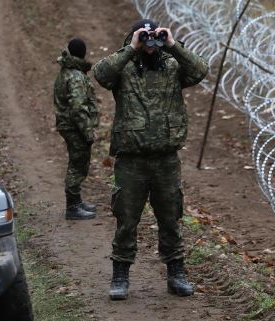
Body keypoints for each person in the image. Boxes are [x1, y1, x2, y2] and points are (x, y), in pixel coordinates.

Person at [93, 19, 209, 299]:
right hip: (131, 160)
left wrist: (172, 44)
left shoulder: (171, 66)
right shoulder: (124, 68)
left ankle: (176, 273)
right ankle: (120, 275)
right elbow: (101, 74)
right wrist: (131, 47)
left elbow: (200, 71)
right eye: (144, 38)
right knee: (126, 219)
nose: (149, 44)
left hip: (166, 159)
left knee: (170, 218)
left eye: (153, 38)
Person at [54, 38, 99, 220]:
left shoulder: (66, 72)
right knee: (77, 165)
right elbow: (78, 108)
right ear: (82, 53)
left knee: (77, 163)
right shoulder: (76, 76)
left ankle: (77, 201)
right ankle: (72, 207)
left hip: (69, 125)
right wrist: (87, 132)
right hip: (75, 127)